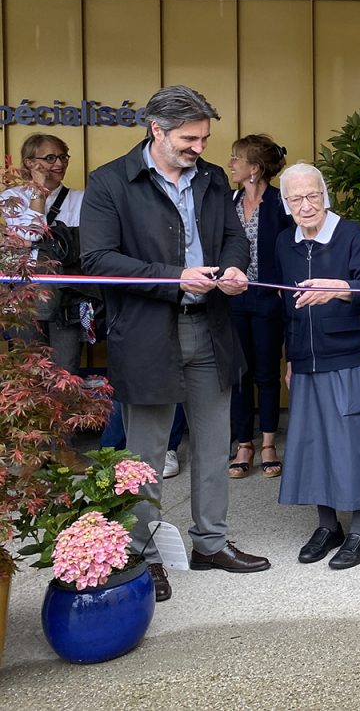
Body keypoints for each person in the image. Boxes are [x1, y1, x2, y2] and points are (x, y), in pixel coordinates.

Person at [80, 84, 270, 604]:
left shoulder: (209, 180)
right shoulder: (110, 183)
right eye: (189, 138)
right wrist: (174, 276)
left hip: (210, 327)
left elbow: (233, 236)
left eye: (205, 138)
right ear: (155, 130)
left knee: (214, 444)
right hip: (146, 334)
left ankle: (210, 542)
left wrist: (233, 267)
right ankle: (143, 555)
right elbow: (97, 260)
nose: (200, 148)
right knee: (145, 454)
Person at [276, 162, 360, 570]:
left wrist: (340, 289)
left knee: (353, 443)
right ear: (285, 202)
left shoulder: (351, 235)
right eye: (296, 198)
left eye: (313, 196)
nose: (306, 206)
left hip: (353, 357)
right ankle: (328, 525)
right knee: (313, 443)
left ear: (325, 195)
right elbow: (284, 308)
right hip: (307, 360)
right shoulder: (283, 243)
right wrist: (290, 359)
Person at [227, 135, 291, 479]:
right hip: (234, 298)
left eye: (236, 159)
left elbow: (293, 247)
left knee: (266, 372)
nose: (230, 164)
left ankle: (268, 442)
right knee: (239, 374)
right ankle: (243, 444)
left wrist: (285, 288)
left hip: (269, 297)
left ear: (254, 169)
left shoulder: (281, 203)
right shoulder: (228, 201)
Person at [0, 133, 86, 373]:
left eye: (63, 157)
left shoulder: (82, 199)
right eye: (50, 158)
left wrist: (31, 244)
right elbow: (32, 234)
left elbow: (77, 246)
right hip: (23, 293)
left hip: (68, 293)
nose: (58, 164)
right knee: (28, 366)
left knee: (65, 368)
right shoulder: (10, 198)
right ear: (30, 162)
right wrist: (38, 192)